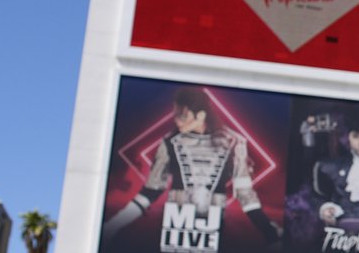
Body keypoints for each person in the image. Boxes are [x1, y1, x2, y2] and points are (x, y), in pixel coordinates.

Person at [102, 86, 278, 244]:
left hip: (213, 232)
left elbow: (245, 194)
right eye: (176, 114)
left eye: (183, 115)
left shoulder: (234, 142)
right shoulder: (169, 142)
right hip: (175, 229)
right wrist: (112, 226)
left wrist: (269, 233)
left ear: (200, 115)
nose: (177, 121)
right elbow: (151, 191)